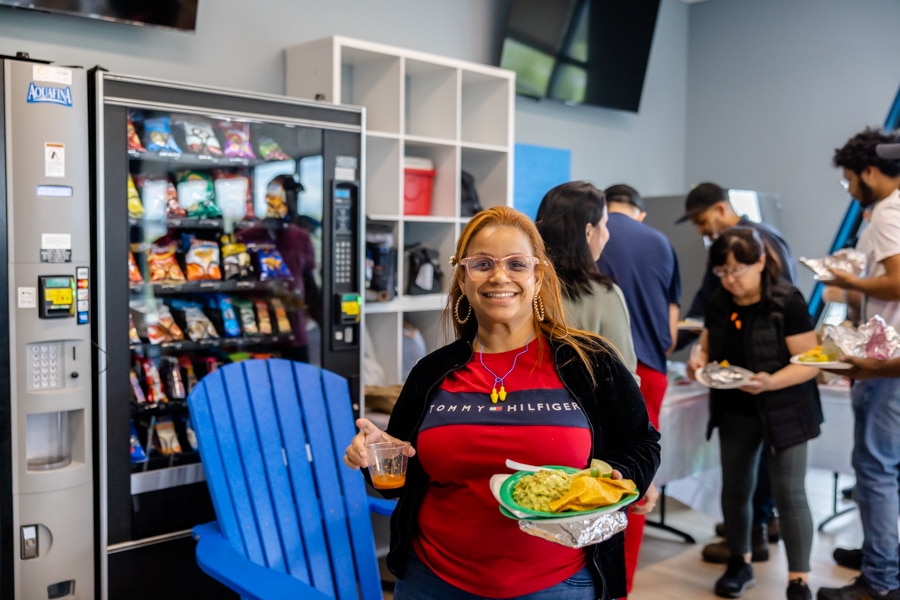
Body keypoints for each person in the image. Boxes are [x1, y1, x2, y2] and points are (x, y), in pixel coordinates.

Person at [343, 205, 661, 600]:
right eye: (482, 264)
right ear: (462, 275)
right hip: (434, 582)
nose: (499, 276)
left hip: (560, 584)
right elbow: (396, 484)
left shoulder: (588, 361)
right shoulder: (432, 373)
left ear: (538, 273)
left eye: (516, 264)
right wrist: (376, 454)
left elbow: (643, 444)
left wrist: (614, 477)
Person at [686, 226, 822, 600]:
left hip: (786, 407)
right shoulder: (720, 299)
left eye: (738, 270)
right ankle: (739, 561)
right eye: (722, 272)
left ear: (761, 261)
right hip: (735, 407)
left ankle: (799, 580)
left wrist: (771, 382)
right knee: (736, 488)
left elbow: (811, 362)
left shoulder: (786, 300)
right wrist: (697, 362)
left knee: (790, 493)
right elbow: (707, 347)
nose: (730, 280)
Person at [677, 181, 793, 563]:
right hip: (756, 374)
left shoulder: (743, 242)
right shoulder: (767, 236)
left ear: (721, 208)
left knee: (749, 467)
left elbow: (710, 304)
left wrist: (677, 338)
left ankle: (751, 536)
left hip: (756, 377)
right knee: (750, 468)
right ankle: (758, 524)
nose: (701, 230)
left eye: (701, 219)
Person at [816, 129, 900, 600]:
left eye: (849, 179)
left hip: (887, 364)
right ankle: (882, 555)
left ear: (869, 171)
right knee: (889, 469)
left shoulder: (888, 213)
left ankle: (880, 580)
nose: (849, 188)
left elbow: (897, 283)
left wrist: (849, 280)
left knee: (875, 470)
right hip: (890, 355)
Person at [595, 182, 681, 592]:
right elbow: (672, 328)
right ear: (640, 212)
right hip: (648, 371)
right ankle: (622, 583)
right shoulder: (662, 243)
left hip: (592, 372)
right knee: (636, 472)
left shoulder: (591, 233)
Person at [534, 181, 638, 375]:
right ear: (589, 232)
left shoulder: (521, 287)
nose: (607, 234)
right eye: (605, 224)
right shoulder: (604, 296)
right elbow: (625, 378)